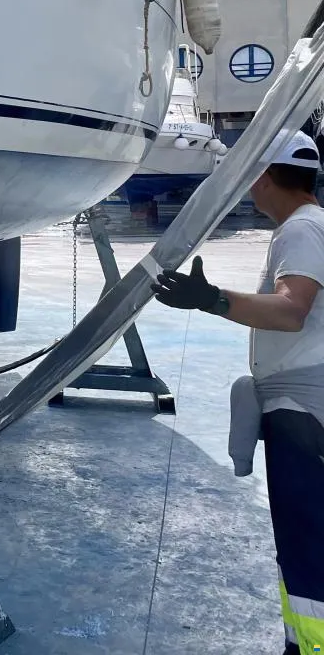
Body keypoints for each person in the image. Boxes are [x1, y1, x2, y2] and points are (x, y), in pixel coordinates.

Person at [153, 129, 324, 655]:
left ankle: (310, 647)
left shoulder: (301, 230)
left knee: (305, 543)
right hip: (305, 402)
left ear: (265, 176)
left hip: (303, 411)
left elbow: (291, 310)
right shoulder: (313, 224)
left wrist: (213, 299)